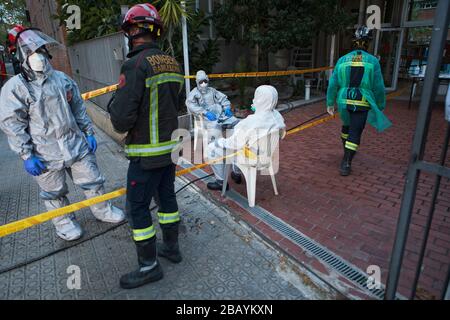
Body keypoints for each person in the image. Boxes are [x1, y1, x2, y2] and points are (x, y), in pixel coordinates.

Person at [0, 28, 125, 241]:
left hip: (75, 143)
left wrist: (88, 132)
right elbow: (12, 124)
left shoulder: (61, 79)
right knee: (54, 192)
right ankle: (64, 222)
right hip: (44, 152)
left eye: (39, 49)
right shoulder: (15, 88)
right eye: (29, 51)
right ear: (19, 55)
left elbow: (78, 108)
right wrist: (27, 155)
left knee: (93, 180)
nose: (37, 55)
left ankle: (103, 210)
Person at [108, 3, 185, 289]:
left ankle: (149, 266)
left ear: (131, 31)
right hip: (170, 151)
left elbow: (121, 119)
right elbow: (175, 104)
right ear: (156, 32)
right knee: (167, 201)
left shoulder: (135, 64)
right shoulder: (172, 63)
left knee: (138, 210)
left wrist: (115, 105)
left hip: (145, 156)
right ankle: (172, 249)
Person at [327, 25, 391, 176]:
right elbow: (378, 86)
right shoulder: (372, 61)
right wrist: (380, 104)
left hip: (344, 101)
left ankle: (347, 151)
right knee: (356, 131)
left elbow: (333, 83)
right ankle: (347, 162)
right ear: (368, 42)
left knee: (347, 125)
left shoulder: (342, 60)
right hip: (362, 102)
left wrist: (330, 103)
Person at [206, 85, 286, 190]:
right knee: (241, 145)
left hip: (251, 159)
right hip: (266, 155)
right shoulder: (277, 116)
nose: (254, 100)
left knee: (212, 148)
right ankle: (236, 173)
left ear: (261, 100)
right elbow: (281, 133)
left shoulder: (250, 121)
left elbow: (233, 143)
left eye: (256, 97)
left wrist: (219, 142)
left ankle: (220, 181)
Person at [186, 70, 238, 143]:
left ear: (207, 80)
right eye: (201, 82)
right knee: (215, 129)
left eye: (205, 81)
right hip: (205, 117)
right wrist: (205, 112)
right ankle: (214, 146)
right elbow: (191, 105)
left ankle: (233, 142)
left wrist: (227, 108)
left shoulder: (212, 90)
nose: (203, 84)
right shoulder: (194, 93)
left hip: (219, 114)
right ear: (197, 82)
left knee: (234, 122)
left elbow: (222, 98)